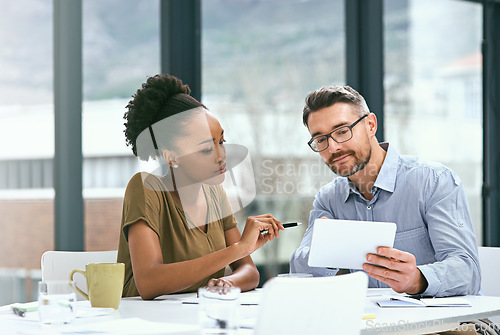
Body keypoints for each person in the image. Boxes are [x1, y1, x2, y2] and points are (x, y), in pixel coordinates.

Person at [290, 85, 480, 297]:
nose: (332, 147)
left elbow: (468, 271)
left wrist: (418, 279)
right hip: (373, 324)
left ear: (371, 125)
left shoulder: (433, 181)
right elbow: (300, 275)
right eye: (321, 139)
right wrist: (323, 252)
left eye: (342, 131)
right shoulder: (329, 200)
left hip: (441, 324)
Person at [117, 74, 284, 299]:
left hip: (195, 317)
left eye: (221, 142)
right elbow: (149, 282)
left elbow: (249, 272)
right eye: (207, 149)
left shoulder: (215, 194)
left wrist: (225, 282)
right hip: (143, 320)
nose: (221, 156)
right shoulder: (145, 189)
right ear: (172, 156)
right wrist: (239, 248)